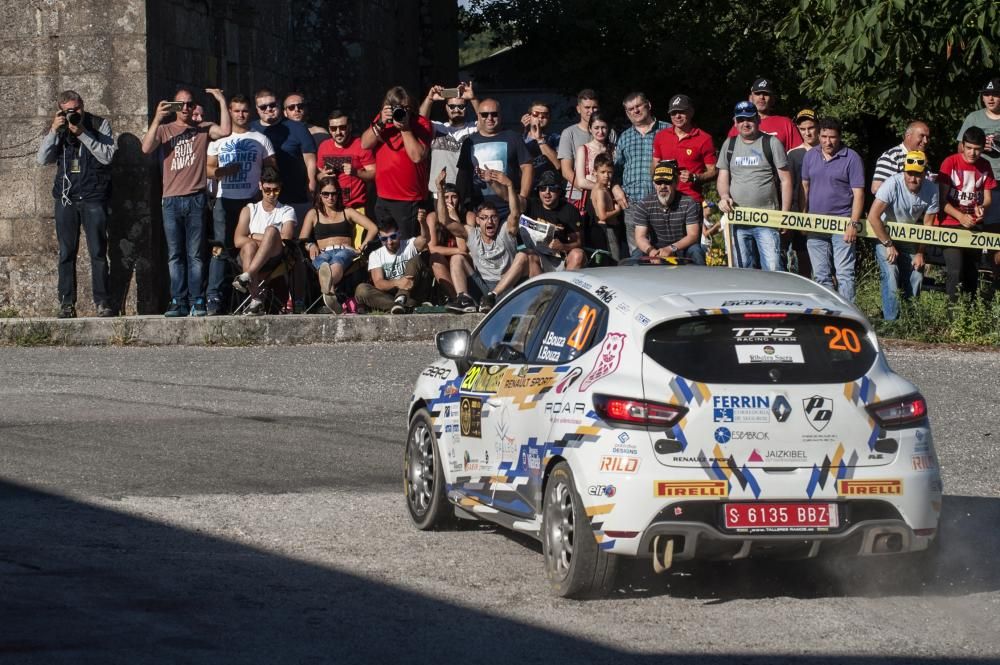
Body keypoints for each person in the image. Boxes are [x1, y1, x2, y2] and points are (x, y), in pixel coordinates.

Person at [141, 86, 230, 317]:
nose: (186, 109)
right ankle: (177, 300)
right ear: (173, 107)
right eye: (180, 104)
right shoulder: (165, 129)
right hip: (170, 199)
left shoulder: (202, 129)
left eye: (190, 104)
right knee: (174, 254)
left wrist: (220, 99)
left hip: (196, 198)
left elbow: (226, 131)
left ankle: (196, 299)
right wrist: (157, 118)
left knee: (195, 254)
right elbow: (146, 147)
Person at [36, 90, 117, 319]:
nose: (75, 114)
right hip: (66, 198)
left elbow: (107, 156)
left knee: (98, 252)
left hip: (93, 196)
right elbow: (42, 159)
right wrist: (54, 130)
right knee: (66, 253)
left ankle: (102, 302)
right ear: (61, 110)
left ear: (83, 105)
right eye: (70, 111)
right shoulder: (59, 129)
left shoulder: (100, 124)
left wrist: (82, 133)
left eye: (78, 108)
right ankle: (66, 304)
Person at [205, 94, 276, 315]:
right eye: (236, 111)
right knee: (220, 249)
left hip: (251, 200)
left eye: (244, 110)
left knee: (251, 247)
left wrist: (264, 185)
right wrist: (224, 171)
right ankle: (214, 297)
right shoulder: (218, 139)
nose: (241, 115)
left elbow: (272, 169)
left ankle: (253, 296)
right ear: (230, 112)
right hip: (224, 200)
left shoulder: (260, 139)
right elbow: (207, 168)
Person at [716, 101, 792, 271]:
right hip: (737, 218)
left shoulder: (771, 142)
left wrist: (785, 215)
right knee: (742, 271)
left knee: (773, 270)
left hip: (767, 219)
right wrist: (724, 196)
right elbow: (723, 177)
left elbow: (786, 180)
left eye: (749, 119)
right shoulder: (729, 144)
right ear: (735, 122)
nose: (745, 123)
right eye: (741, 119)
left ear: (757, 119)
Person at [442, 168, 531, 313]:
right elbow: (445, 221)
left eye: (493, 217)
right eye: (484, 218)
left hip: (505, 287)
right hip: (482, 288)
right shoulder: (472, 233)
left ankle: (493, 296)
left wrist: (509, 186)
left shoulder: (505, 230)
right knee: (457, 258)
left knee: (522, 256)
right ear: (477, 220)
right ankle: (464, 299)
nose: (489, 221)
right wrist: (440, 191)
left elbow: (515, 213)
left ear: (498, 219)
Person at [865, 151, 938, 320]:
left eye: (917, 175)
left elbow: (928, 225)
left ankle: (910, 320)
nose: (913, 179)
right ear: (904, 171)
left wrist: (921, 252)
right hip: (884, 234)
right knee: (891, 274)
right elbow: (873, 217)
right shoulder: (892, 183)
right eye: (909, 173)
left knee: (917, 274)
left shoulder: (932, 189)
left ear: (924, 173)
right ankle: (891, 321)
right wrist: (888, 245)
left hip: (909, 238)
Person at [802, 117, 865, 301]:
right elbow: (804, 188)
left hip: (843, 223)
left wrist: (853, 223)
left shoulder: (852, 157)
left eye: (832, 137)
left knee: (845, 274)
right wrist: (803, 218)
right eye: (823, 136)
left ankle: (848, 315)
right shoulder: (810, 156)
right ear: (819, 135)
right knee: (821, 275)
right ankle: (827, 312)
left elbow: (859, 194)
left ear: (839, 137)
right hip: (815, 224)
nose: (827, 141)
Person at [360, 86, 432, 245]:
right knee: (386, 245)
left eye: (406, 108)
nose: (403, 112)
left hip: (408, 199)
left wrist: (405, 128)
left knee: (407, 247)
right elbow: (365, 144)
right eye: (398, 108)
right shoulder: (383, 121)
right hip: (383, 197)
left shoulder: (421, 123)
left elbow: (417, 156)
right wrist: (380, 122)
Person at [300, 177, 377, 313]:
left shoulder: (347, 212)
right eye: (326, 194)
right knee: (321, 263)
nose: (330, 197)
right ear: (319, 194)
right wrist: (311, 245)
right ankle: (332, 298)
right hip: (322, 252)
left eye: (334, 194)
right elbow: (302, 239)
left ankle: (327, 288)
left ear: (338, 194)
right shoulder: (313, 214)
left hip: (345, 251)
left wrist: (363, 245)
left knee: (337, 260)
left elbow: (373, 228)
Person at [937, 127, 996, 300]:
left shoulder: (985, 165)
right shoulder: (950, 162)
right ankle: (952, 316)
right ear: (962, 145)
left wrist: (982, 208)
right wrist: (960, 216)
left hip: (974, 224)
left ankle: (968, 316)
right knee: (955, 270)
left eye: (977, 149)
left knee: (972, 273)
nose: (972, 153)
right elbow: (941, 201)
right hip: (950, 224)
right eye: (969, 148)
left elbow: (987, 199)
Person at [231, 167, 296, 315]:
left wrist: (255, 235)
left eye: (276, 190)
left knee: (271, 230)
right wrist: (255, 239)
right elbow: (237, 240)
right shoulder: (250, 209)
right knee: (249, 246)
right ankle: (256, 300)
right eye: (267, 190)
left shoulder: (287, 210)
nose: (272, 194)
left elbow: (286, 238)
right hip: (250, 255)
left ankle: (247, 276)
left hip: (274, 258)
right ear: (260, 186)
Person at [455, 98, 533, 218]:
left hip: (509, 208)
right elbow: (463, 175)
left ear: (500, 115)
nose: (490, 118)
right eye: (485, 115)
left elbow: (527, 167)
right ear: (478, 116)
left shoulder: (514, 137)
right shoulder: (469, 142)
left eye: (494, 114)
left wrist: (522, 198)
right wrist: (461, 205)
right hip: (479, 209)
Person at [250, 88, 317, 225]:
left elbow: (310, 160)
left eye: (272, 105)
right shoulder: (251, 129)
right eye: (263, 107)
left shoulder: (298, 128)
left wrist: (311, 187)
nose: (269, 109)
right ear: (257, 109)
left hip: (295, 195)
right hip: (262, 198)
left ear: (279, 104)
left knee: (297, 239)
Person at [611, 92, 668, 254]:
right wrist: (616, 189)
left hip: (663, 203)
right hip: (632, 204)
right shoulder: (624, 137)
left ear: (648, 105)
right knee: (637, 254)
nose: (635, 111)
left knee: (664, 253)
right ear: (627, 113)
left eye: (638, 106)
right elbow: (614, 171)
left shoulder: (667, 130)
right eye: (630, 109)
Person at [633, 160, 705, 264]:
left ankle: (701, 279)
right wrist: (651, 251)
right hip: (656, 249)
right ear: (654, 184)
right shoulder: (644, 204)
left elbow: (693, 235)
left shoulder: (689, 202)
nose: (662, 186)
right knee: (636, 255)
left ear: (676, 183)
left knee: (696, 251)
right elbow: (640, 236)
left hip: (682, 249)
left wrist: (671, 249)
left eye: (667, 182)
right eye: (659, 182)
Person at [651, 94, 717, 205]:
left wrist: (695, 177)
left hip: (691, 200)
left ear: (691, 112)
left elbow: (713, 171)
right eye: (673, 113)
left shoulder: (704, 138)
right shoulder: (660, 136)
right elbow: (655, 164)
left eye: (682, 112)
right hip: (665, 198)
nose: (677, 116)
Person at [354, 218, 431, 314]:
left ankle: (400, 302)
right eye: (384, 239)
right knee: (361, 290)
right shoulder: (376, 255)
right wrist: (398, 283)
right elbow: (379, 283)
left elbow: (425, 239)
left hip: (413, 292)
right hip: (391, 295)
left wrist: (422, 222)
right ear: (379, 238)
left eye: (393, 237)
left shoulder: (410, 244)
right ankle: (402, 306)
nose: (389, 242)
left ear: (399, 233)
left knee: (415, 260)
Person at [558, 89, 615, 210]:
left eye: (594, 107)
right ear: (578, 109)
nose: (591, 111)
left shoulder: (610, 133)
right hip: (579, 196)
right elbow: (566, 171)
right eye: (587, 107)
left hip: (607, 195)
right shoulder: (569, 133)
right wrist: (594, 191)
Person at [419, 82, 479, 194]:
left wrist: (473, 98)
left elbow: (486, 120)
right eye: (452, 106)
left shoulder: (474, 127)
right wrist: (430, 99)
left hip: (466, 192)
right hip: (438, 192)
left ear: (466, 108)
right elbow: (420, 122)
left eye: (461, 106)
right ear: (446, 108)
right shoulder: (437, 127)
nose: (456, 109)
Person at [523, 170, 586, 274]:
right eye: (543, 188)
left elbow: (579, 243)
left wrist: (563, 247)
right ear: (538, 191)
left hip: (563, 259)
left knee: (578, 254)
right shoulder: (532, 204)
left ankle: (564, 288)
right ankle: (541, 289)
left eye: (552, 188)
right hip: (539, 258)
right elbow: (513, 201)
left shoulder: (570, 210)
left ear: (559, 191)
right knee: (524, 255)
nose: (547, 192)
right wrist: (508, 185)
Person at [956, 78, 1000, 227]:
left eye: (995, 94)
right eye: (986, 94)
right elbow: (960, 149)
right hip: (977, 181)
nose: (990, 98)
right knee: (979, 223)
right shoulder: (974, 118)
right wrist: (980, 146)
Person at [316, 110, 375, 213]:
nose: (338, 132)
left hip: (356, 207)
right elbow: (318, 175)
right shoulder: (323, 146)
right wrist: (322, 175)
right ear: (329, 130)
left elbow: (374, 174)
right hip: (331, 208)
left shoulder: (361, 145)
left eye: (342, 127)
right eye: (334, 128)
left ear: (350, 127)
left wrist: (356, 172)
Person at [784, 108, 819, 275]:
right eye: (803, 129)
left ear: (818, 127)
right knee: (803, 259)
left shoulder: (829, 151)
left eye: (811, 127)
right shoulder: (792, 154)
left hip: (825, 212)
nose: (807, 132)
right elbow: (787, 186)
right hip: (799, 214)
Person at [428, 169, 471, 307]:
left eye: (454, 197)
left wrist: (455, 219)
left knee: (457, 258)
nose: (450, 201)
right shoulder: (433, 217)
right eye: (446, 197)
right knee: (435, 258)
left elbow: (466, 248)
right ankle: (455, 298)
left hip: (466, 262)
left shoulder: (469, 216)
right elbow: (432, 248)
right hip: (447, 260)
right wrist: (458, 251)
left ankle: (463, 298)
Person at [726, 78, 803, 150]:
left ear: (773, 99)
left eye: (766, 94)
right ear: (750, 98)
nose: (761, 97)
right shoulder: (740, 125)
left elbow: (797, 156)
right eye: (757, 93)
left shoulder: (786, 123)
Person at [582, 153, 624, 261]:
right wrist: (617, 211)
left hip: (608, 230)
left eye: (609, 172)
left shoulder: (602, 189)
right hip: (607, 231)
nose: (606, 175)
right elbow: (602, 216)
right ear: (595, 172)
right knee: (615, 261)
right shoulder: (600, 191)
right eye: (603, 172)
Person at [571, 111, 615, 213]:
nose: (600, 131)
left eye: (603, 127)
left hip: (612, 199)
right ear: (590, 129)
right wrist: (605, 188)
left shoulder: (614, 149)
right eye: (596, 128)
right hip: (591, 199)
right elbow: (581, 182)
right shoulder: (583, 149)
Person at [871, 121, 931, 194]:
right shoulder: (891, 156)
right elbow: (877, 189)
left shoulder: (923, 158)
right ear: (908, 135)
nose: (925, 141)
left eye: (927, 137)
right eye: (921, 136)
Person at [521, 101, 560, 186]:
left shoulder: (555, 138)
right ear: (528, 117)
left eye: (545, 115)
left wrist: (540, 140)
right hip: (528, 189)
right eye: (536, 114)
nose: (540, 117)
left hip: (549, 188)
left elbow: (558, 165)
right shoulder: (521, 139)